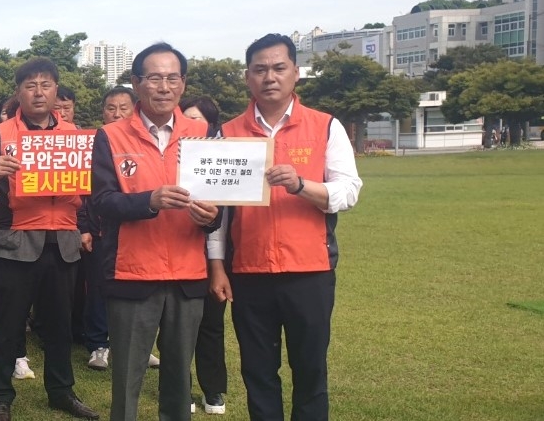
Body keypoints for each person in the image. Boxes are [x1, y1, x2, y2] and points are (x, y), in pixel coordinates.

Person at [209, 34, 363, 421]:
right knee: (258, 372)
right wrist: (216, 266)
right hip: (249, 272)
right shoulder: (227, 134)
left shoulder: (326, 126)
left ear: (296, 73)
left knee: (310, 369)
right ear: (247, 77)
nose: (270, 77)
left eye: (279, 68)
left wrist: (300, 185)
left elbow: (349, 191)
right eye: (260, 70)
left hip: (309, 270)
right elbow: (218, 213)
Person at [91, 42, 221, 421]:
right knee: (127, 377)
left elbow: (219, 203)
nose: (164, 86)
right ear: (137, 83)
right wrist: (149, 200)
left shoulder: (204, 133)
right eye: (154, 78)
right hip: (133, 273)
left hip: (187, 274)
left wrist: (211, 215)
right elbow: (101, 202)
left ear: (182, 83)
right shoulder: (111, 135)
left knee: (179, 377)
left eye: (172, 78)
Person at [0, 57, 98, 421]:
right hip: (17, 242)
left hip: (63, 241)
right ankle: (0, 396)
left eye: (46, 84)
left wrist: (85, 227)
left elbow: (89, 190)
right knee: (9, 326)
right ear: (19, 92)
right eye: (31, 84)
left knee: (59, 324)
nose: (39, 91)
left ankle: (61, 391)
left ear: (57, 90)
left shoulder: (76, 136)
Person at [80, 87, 138, 372]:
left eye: (123, 107)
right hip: (99, 230)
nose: (116, 113)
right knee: (98, 289)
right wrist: (85, 227)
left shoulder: (140, 142)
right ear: (102, 111)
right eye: (111, 108)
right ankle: (98, 343)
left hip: (135, 231)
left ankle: (132, 343)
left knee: (134, 291)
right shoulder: (95, 141)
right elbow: (81, 190)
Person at [179, 95, 227, 414]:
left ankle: (213, 391)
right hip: (181, 254)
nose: (191, 126)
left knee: (211, 324)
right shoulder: (174, 155)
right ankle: (179, 389)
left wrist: (218, 264)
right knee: (179, 328)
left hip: (217, 253)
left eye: (197, 120)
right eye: (186, 119)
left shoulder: (225, 157)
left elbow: (222, 219)